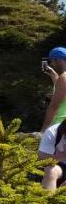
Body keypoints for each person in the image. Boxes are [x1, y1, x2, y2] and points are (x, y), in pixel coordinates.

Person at [38, 46, 66, 190]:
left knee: (50, 166)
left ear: (57, 60)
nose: (51, 64)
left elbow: (54, 105)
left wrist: (44, 129)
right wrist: (54, 77)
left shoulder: (64, 77)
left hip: (60, 124)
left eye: (51, 61)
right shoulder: (62, 78)